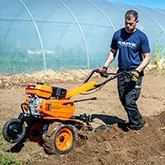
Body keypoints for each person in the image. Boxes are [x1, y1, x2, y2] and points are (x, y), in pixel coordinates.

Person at [100, 10, 151, 130]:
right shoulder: (118, 34)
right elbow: (113, 52)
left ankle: (137, 125)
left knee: (130, 100)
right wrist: (105, 67)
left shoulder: (141, 37)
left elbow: (147, 57)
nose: (128, 26)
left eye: (131, 24)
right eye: (126, 23)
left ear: (136, 22)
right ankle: (136, 120)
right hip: (121, 72)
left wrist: (138, 70)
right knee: (123, 99)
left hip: (135, 72)